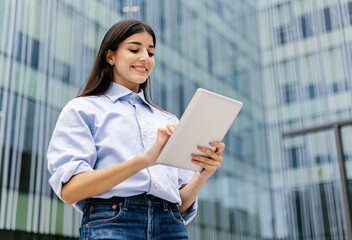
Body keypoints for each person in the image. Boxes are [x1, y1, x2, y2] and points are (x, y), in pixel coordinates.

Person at [47, 19, 225, 240]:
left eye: (150, 53)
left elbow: (180, 204)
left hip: (170, 225)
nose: (145, 58)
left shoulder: (168, 120)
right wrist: (145, 160)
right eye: (134, 49)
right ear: (110, 56)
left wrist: (203, 175)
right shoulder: (83, 109)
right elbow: (71, 190)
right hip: (113, 222)